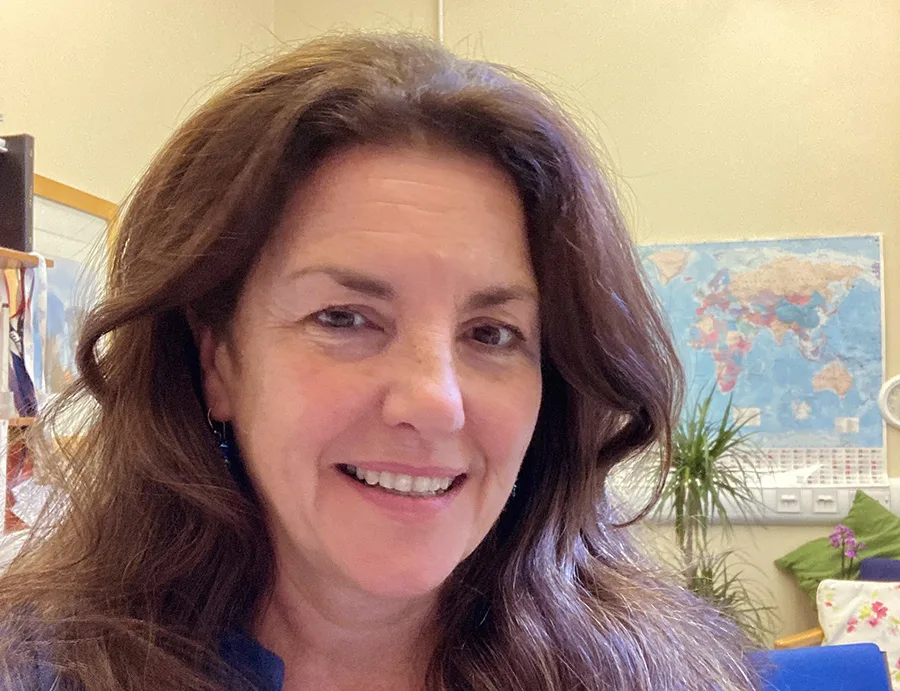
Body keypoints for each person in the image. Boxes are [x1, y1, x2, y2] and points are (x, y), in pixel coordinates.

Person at [0, 33, 761, 690]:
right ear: (218, 362)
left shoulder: (660, 671)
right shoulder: (37, 666)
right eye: (344, 318)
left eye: (493, 333)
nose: (435, 400)